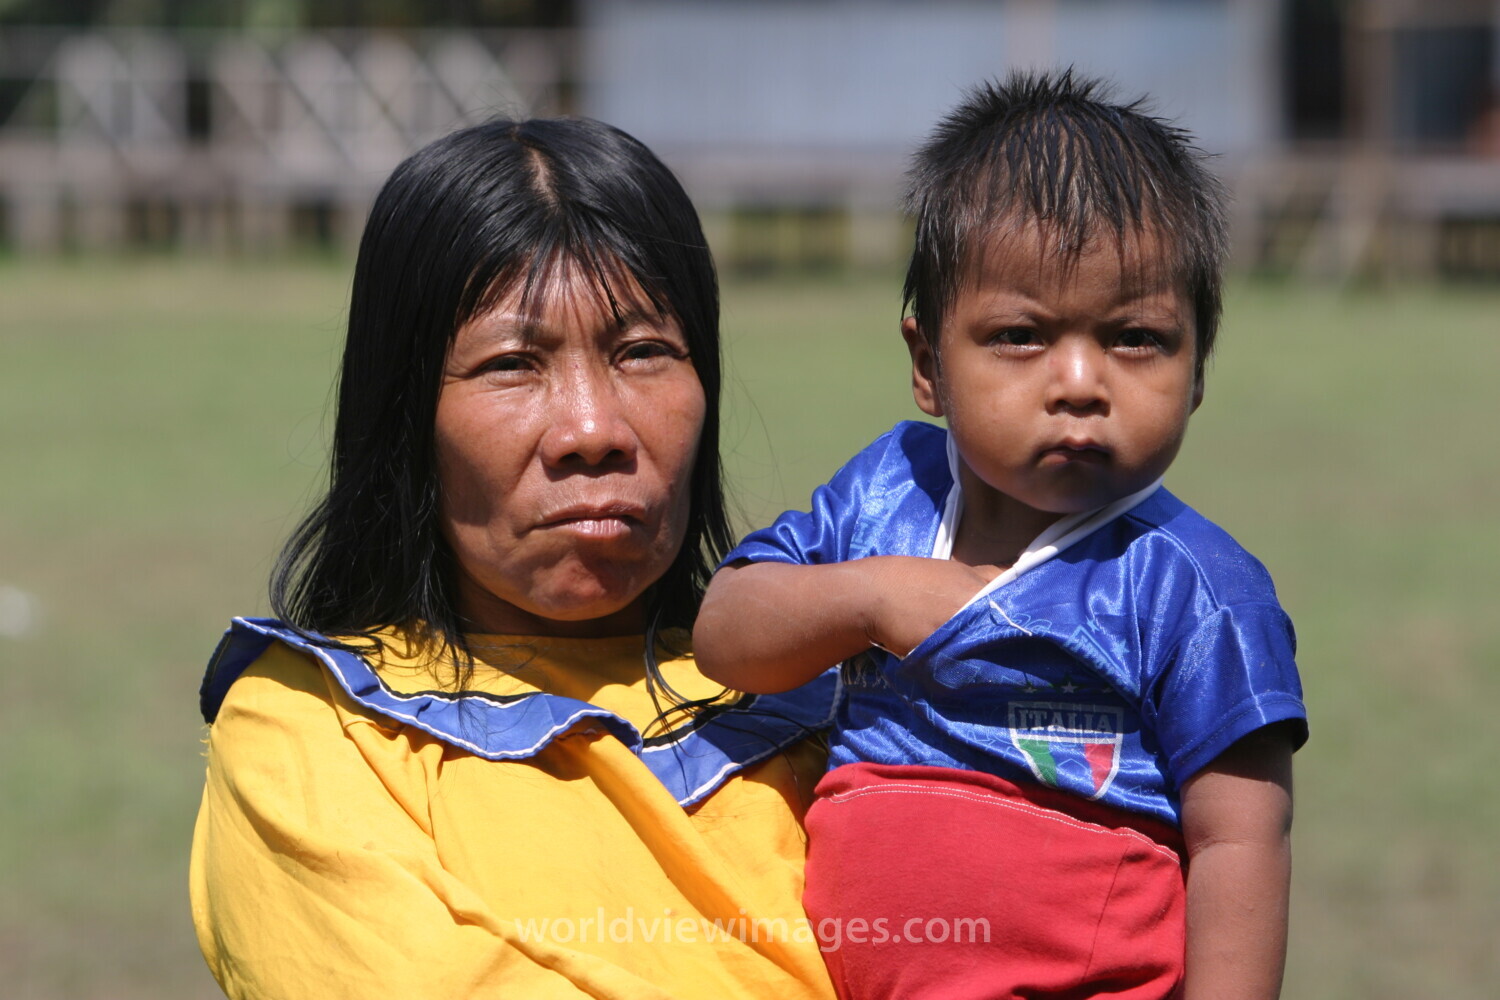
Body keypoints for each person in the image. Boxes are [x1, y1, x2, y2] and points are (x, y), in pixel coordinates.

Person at [190, 117, 840, 999]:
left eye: (644, 352)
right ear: (406, 415)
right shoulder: (313, 730)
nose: (593, 431)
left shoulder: (838, 703)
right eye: (511, 364)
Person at [695, 71, 1308, 1000]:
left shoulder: (1191, 586)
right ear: (926, 364)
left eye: (1136, 338)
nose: (1078, 381)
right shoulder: (884, 496)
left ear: (1199, 369)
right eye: (1021, 335)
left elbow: (1239, 840)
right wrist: (867, 594)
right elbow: (727, 638)